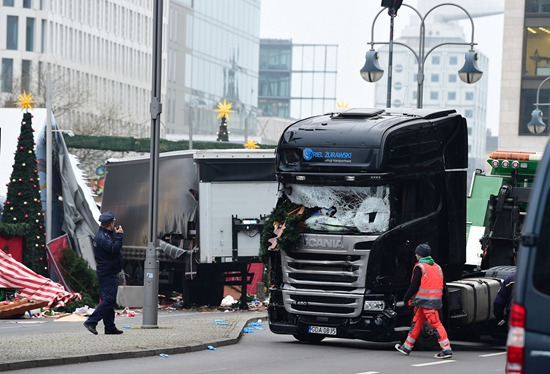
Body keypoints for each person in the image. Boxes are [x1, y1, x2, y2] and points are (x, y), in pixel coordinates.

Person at [395, 243, 453, 359]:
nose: (415, 255)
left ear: (419, 255)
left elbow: (414, 285)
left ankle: (446, 349)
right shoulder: (437, 267)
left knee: (435, 323)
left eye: (416, 253)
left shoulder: (420, 267)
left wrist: (406, 298)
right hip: (432, 301)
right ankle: (407, 347)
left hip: (426, 301)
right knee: (417, 322)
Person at [84, 211, 124, 335]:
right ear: (110, 223)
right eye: (113, 222)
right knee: (109, 300)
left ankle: (110, 326)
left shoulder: (105, 234)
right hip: (107, 272)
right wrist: (119, 236)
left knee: (109, 300)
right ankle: (91, 321)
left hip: (108, 271)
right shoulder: (102, 238)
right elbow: (114, 248)